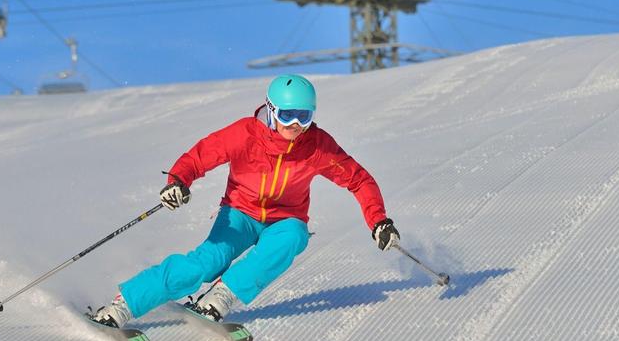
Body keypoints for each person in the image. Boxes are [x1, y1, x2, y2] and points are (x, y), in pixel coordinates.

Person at [93, 74, 399, 327]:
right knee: (209, 262)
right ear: (271, 109)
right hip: (239, 213)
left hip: (284, 220)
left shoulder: (318, 147)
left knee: (295, 235)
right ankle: (125, 304)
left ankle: (223, 295)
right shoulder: (245, 134)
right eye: (287, 115)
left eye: (304, 116)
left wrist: (379, 221)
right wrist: (177, 181)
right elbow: (200, 156)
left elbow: (359, 180)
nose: (295, 124)